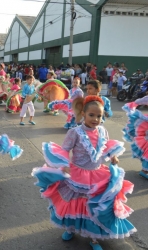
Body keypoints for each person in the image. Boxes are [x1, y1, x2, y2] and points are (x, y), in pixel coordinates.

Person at [32, 95, 136, 250]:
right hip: (77, 174)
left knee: (93, 206)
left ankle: (94, 238)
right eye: (91, 115)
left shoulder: (102, 130)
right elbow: (65, 150)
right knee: (74, 203)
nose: (95, 119)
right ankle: (70, 228)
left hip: (97, 174)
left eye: (99, 116)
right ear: (83, 114)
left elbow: (105, 147)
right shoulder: (75, 132)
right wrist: (65, 165)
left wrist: (112, 156)